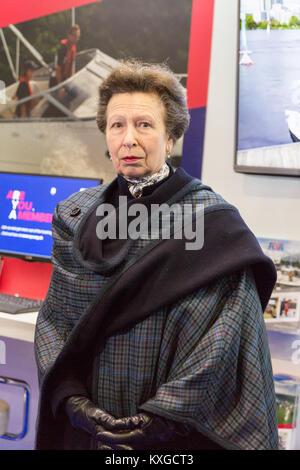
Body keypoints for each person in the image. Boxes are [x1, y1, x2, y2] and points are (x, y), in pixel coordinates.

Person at [34, 59, 279, 450]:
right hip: (88, 434)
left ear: (170, 137)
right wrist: (71, 398)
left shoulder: (214, 226)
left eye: (144, 125)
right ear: (106, 135)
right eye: (117, 125)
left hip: (175, 439)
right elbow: (54, 319)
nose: (129, 139)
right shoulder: (74, 216)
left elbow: (223, 340)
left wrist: (161, 418)